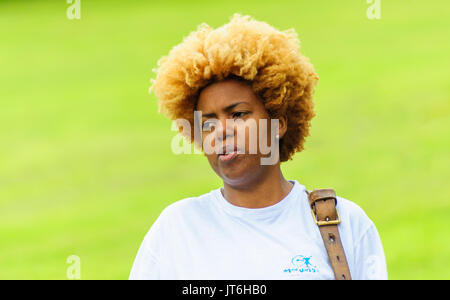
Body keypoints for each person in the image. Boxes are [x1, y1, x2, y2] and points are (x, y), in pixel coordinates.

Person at [129, 14, 387, 280]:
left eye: (238, 114)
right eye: (208, 123)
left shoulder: (343, 224)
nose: (222, 131)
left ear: (278, 123)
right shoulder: (176, 230)